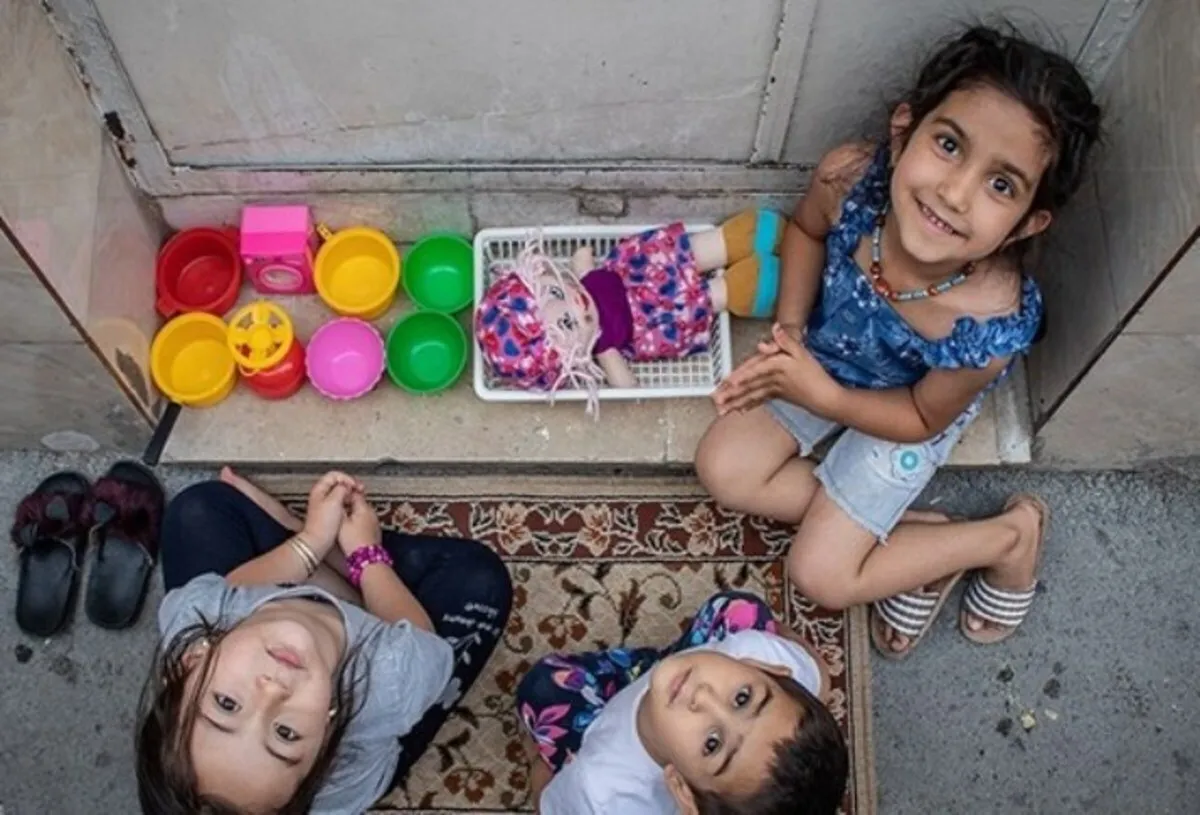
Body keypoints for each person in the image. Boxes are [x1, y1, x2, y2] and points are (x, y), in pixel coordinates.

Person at [695, 25, 1101, 658]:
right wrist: (792, 334)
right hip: (828, 357)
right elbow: (805, 232)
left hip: (907, 407)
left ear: (1028, 223)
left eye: (1001, 185)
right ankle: (908, 536)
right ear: (903, 129)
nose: (954, 193)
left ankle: (1008, 537)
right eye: (948, 145)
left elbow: (920, 416)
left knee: (821, 576)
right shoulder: (849, 181)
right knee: (723, 468)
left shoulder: (987, 323)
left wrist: (825, 397)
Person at [134, 468, 513, 814]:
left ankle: (317, 556)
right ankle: (334, 566)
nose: (272, 691)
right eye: (286, 734)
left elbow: (234, 589)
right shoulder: (391, 684)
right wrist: (366, 555)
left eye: (227, 703)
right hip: (382, 642)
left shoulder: (193, 618)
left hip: (276, 597)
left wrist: (310, 542)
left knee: (198, 508)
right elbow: (418, 640)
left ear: (190, 661)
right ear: (328, 736)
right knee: (480, 581)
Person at [516, 591, 848, 815]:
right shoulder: (760, 652)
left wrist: (538, 761)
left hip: (595, 718)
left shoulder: (601, 792)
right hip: (687, 663)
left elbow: (549, 804)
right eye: (742, 698)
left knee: (543, 688)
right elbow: (818, 672)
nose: (703, 697)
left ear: (682, 789)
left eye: (712, 744)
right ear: (769, 669)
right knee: (739, 608)